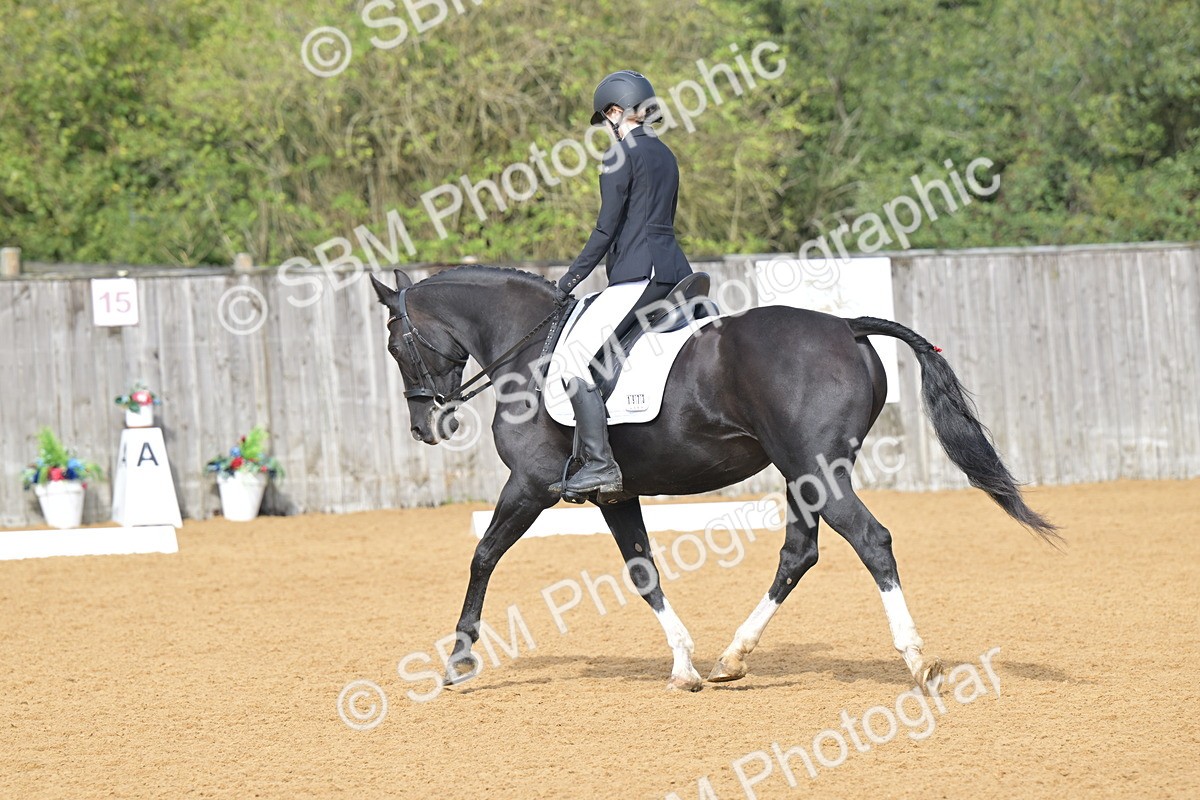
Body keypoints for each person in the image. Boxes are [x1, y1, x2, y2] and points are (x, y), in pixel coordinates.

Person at [551, 69, 693, 498]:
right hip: (676, 271)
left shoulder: (619, 155)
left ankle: (599, 464)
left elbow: (605, 230)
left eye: (606, 119)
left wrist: (569, 280)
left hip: (638, 273)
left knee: (574, 362)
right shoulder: (665, 153)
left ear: (615, 112)